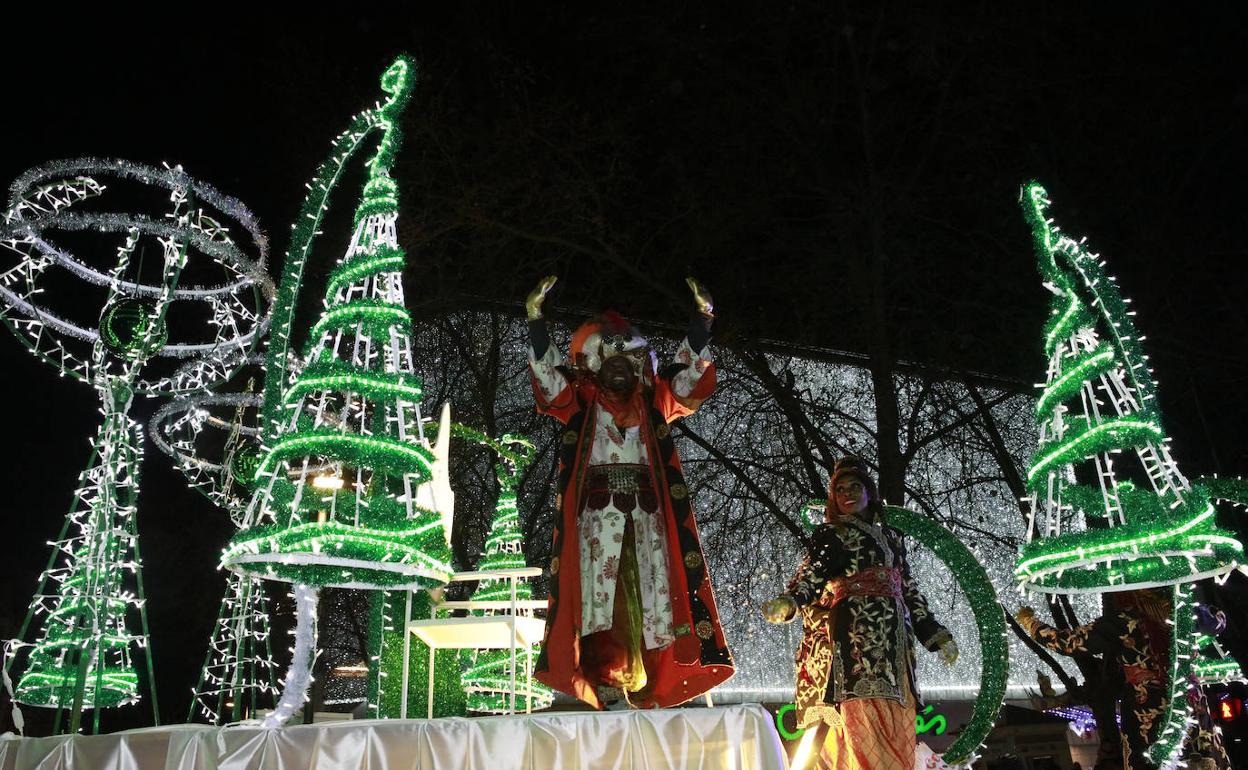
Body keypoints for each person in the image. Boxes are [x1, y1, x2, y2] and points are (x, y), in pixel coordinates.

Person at [526, 274, 733, 709]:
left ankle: (651, 679)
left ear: (638, 368)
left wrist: (702, 322)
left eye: (628, 364)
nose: (619, 369)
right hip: (597, 524)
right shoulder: (581, 406)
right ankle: (605, 677)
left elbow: (688, 376)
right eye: (610, 363)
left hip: (649, 518)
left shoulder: (655, 403)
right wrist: (535, 320)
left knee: (656, 595)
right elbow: (547, 380)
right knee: (602, 600)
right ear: (596, 367)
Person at [762, 457, 958, 770]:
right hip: (857, 646)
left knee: (898, 723)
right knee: (863, 720)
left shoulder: (892, 538)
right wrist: (790, 601)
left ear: (869, 492)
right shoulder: (832, 535)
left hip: (897, 648)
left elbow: (908, 588)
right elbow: (811, 574)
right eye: (839, 490)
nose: (847, 494)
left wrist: (934, 633)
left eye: (855, 487)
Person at [1016, 589, 1231, 770]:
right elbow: (1217, 621)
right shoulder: (1183, 615)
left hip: (1147, 709)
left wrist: (1031, 623)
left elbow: (1069, 642)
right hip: (1192, 704)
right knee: (1203, 755)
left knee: (1152, 760)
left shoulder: (1124, 623)